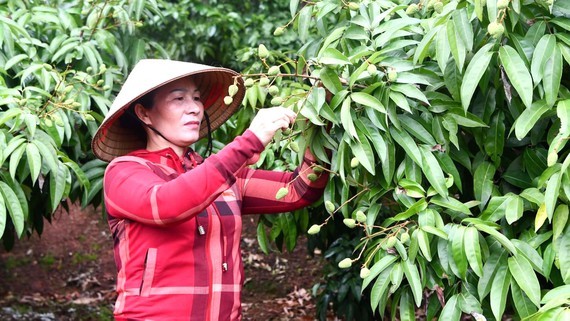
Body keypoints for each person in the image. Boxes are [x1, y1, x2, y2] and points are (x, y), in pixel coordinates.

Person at [91, 59, 328, 320]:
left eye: (196, 98)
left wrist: (323, 115)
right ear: (144, 114)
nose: (194, 108)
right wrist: (248, 142)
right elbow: (167, 204)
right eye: (178, 98)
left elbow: (299, 188)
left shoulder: (218, 174)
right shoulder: (125, 171)